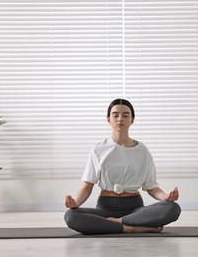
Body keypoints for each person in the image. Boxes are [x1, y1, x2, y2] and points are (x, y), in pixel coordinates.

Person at [64, 98, 181, 235]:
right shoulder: (98, 149)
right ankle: (130, 227)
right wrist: (75, 203)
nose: (120, 118)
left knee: (173, 208)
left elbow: (152, 187)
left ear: (132, 120)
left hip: (135, 208)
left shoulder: (142, 151)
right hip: (105, 208)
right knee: (71, 216)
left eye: (126, 115)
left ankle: (117, 222)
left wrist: (166, 197)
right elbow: (87, 186)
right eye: (115, 115)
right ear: (108, 119)